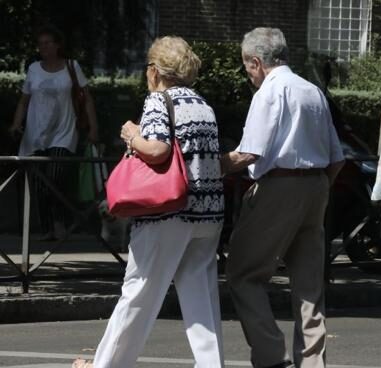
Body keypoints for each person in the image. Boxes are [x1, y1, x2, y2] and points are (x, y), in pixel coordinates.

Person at [72, 36, 225, 368]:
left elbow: (157, 151)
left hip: (167, 215)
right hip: (208, 213)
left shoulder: (159, 100)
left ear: (155, 71)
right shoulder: (203, 104)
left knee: (138, 293)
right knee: (202, 298)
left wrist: (131, 134)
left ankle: (106, 366)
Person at [220, 27, 344, 368]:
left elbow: (249, 153)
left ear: (256, 62)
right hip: (316, 184)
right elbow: (337, 157)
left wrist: (207, 166)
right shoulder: (312, 91)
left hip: (279, 186)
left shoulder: (270, 92)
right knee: (308, 285)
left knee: (244, 273)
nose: (248, 74)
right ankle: (312, 362)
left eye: (247, 66)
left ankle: (271, 354)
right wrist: (318, 187)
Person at [9, 24, 98, 240]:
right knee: (39, 183)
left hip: (64, 132)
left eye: (48, 43)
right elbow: (24, 100)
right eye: (40, 44)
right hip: (36, 134)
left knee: (55, 177)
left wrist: (93, 128)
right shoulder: (33, 69)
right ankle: (48, 228)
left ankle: (60, 223)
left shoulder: (71, 66)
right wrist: (15, 123)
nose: (44, 47)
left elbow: (86, 99)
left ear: (58, 45)